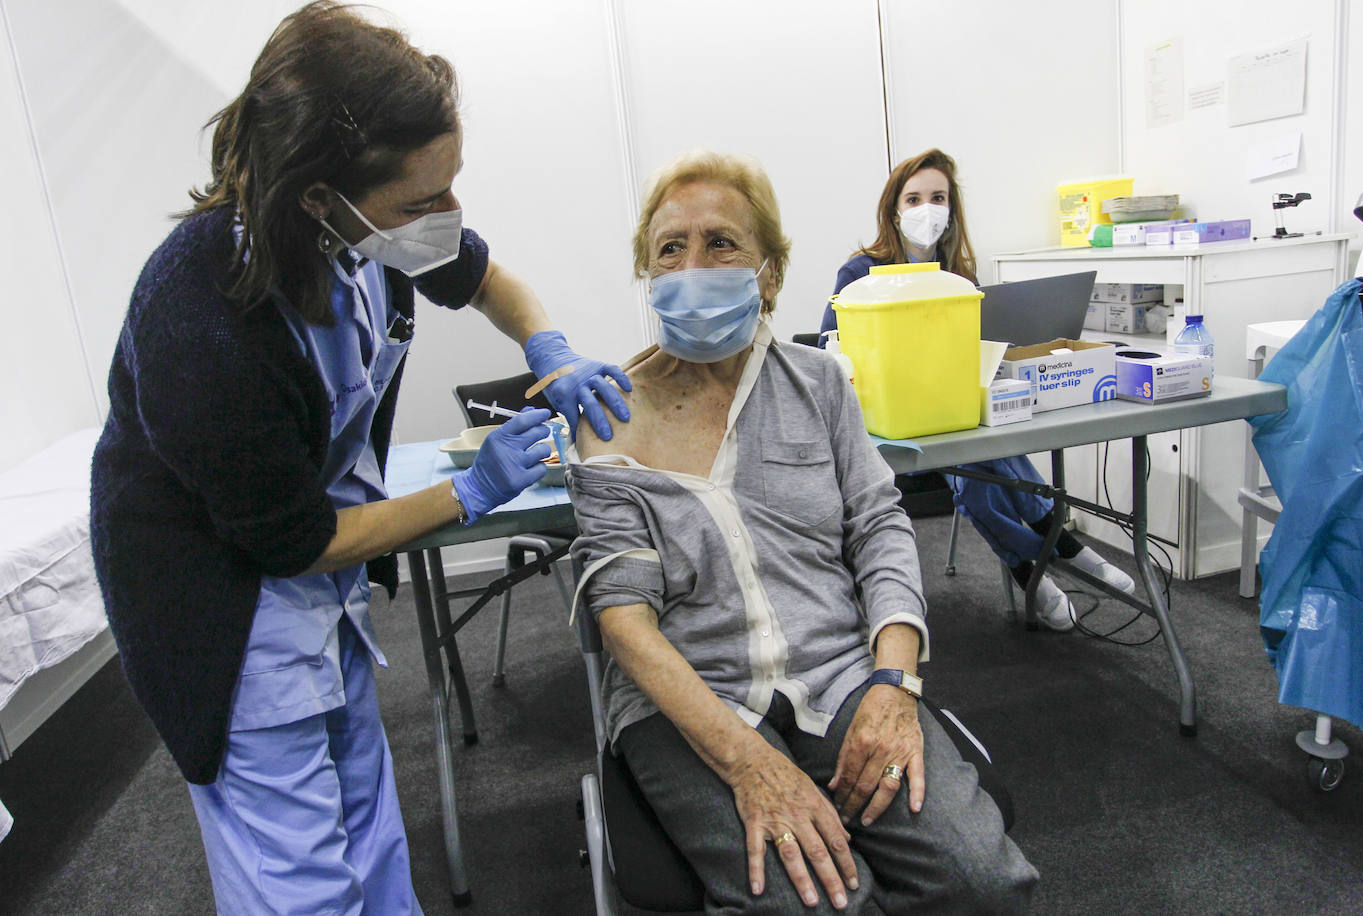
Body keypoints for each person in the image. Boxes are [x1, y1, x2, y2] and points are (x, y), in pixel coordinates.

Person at [89, 4, 629, 912]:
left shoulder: (367, 231)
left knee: (369, 820)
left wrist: (552, 348)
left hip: (313, 580)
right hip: (221, 605)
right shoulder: (201, 314)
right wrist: (470, 493)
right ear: (316, 196)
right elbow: (296, 539)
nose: (446, 217)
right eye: (422, 202)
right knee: (292, 870)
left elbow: (481, 275)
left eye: (452, 186)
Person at [568, 150, 1038, 914]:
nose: (693, 266)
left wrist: (894, 682)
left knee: (982, 884)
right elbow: (622, 620)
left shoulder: (819, 384)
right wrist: (747, 761)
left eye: (721, 243)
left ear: (771, 274)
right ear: (647, 276)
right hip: (694, 700)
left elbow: (881, 528)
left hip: (841, 674)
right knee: (818, 904)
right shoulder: (611, 416)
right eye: (669, 249)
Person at [821, 149, 1134, 631]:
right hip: (890, 418)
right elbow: (829, 349)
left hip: (953, 406)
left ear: (952, 208)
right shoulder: (861, 273)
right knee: (973, 464)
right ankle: (1052, 550)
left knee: (980, 458)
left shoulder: (961, 277)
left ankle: (1033, 566)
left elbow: (973, 350)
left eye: (938, 197)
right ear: (894, 209)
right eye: (915, 197)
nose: (928, 208)